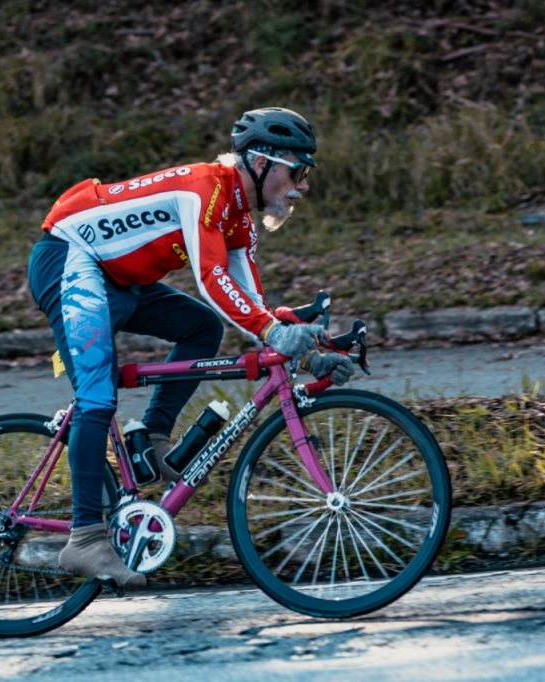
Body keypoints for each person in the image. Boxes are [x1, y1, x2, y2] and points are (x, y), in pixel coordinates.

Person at [27, 107, 355, 588]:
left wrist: (307, 352)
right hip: (69, 258)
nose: (301, 186)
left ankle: (155, 442)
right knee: (97, 396)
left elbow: (252, 306)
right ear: (260, 163)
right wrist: (272, 332)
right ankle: (85, 538)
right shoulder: (205, 190)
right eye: (297, 171)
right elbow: (212, 279)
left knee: (202, 328)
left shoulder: (239, 218)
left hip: (116, 278)